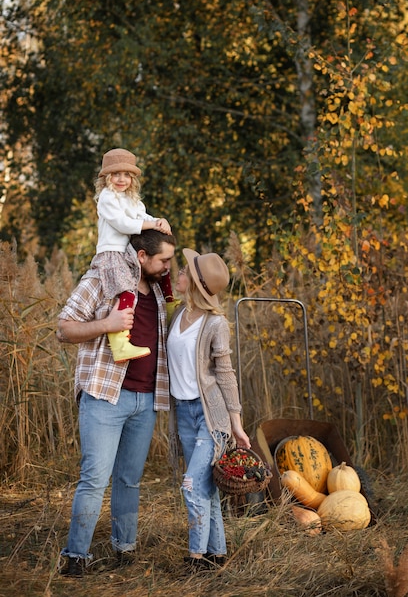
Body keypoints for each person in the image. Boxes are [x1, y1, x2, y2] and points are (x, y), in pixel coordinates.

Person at [56, 229, 176, 578]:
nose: (169, 266)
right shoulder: (101, 279)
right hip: (105, 397)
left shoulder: (155, 290)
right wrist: (106, 323)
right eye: (163, 260)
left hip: (146, 399)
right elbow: (63, 328)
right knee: (94, 478)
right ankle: (75, 556)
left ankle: (125, 548)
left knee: (130, 479)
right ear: (141, 257)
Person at [167, 249, 251, 572]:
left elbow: (226, 375)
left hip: (210, 417)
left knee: (190, 484)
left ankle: (196, 558)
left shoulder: (215, 324)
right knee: (205, 488)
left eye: (186, 271)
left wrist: (237, 425)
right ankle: (218, 555)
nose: (180, 273)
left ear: (196, 284)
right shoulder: (177, 316)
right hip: (184, 415)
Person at [90, 147, 172, 363]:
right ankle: (120, 344)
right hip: (112, 253)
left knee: (160, 266)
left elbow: (142, 216)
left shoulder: (132, 199)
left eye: (127, 175)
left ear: (133, 178)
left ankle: (170, 302)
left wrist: (159, 221)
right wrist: (151, 223)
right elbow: (123, 224)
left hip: (127, 253)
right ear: (107, 177)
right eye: (116, 174)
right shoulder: (107, 197)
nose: (121, 179)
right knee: (127, 291)